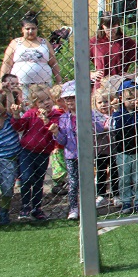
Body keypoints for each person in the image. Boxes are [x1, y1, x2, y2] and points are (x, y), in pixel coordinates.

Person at [10, 84, 61, 221]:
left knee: (39, 181)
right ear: (35, 104)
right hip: (27, 151)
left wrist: (46, 121)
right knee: (26, 178)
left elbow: (54, 130)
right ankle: (25, 207)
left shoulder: (56, 115)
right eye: (41, 101)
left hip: (43, 153)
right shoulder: (31, 114)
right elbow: (19, 127)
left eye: (48, 99)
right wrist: (16, 115)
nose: (46, 103)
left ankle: (36, 208)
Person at [0, 12, 62, 101]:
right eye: (27, 29)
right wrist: (2, 83)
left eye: (33, 28)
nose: (30, 31)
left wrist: (59, 82)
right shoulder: (15, 43)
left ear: (37, 29)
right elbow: (7, 64)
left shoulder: (44, 43)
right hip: (21, 86)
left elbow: (53, 63)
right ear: (22, 29)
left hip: (43, 86)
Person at [110, 80, 138, 214]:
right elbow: (121, 125)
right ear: (121, 98)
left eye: (135, 98)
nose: (133, 101)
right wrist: (116, 110)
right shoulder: (118, 112)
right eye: (129, 98)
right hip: (123, 152)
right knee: (124, 179)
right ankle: (126, 202)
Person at [89, 12, 138, 91]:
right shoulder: (95, 42)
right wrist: (91, 74)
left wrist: (134, 74)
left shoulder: (126, 41)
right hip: (101, 86)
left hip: (119, 85)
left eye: (113, 26)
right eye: (108, 26)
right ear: (102, 26)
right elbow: (78, 60)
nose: (111, 29)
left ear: (118, 25)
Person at [50, 81, 81, 220]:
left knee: (89, 182)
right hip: (71, 155)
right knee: (73, 183)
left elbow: (99, 128)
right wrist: (56, 132)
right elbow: (62, 141)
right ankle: (74, 208)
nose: (69, 101)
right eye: (67, 98)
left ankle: (88, 206)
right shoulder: (63, 118)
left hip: (87, 154)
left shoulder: (89, 114)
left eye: (73, 97)